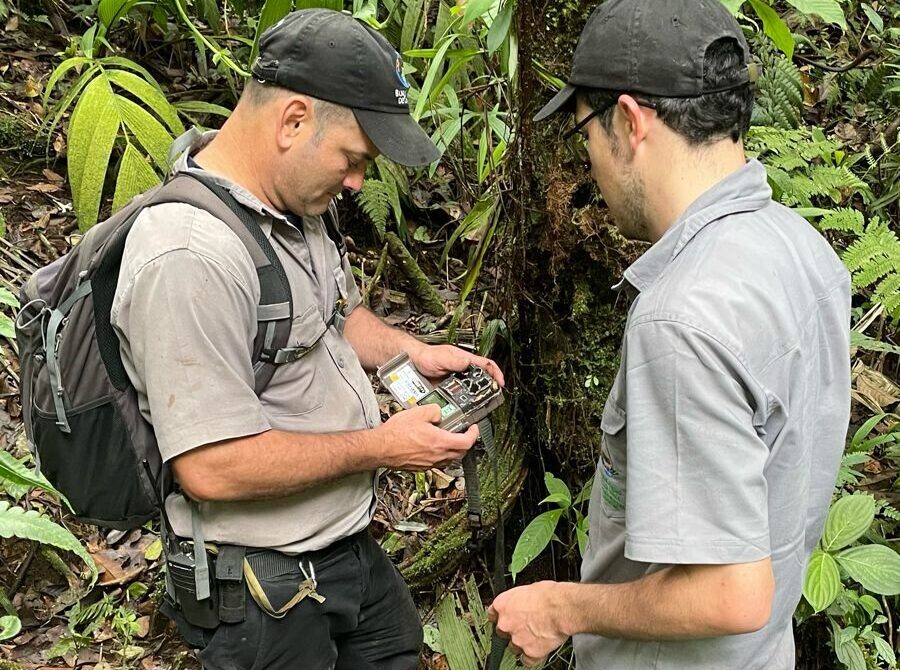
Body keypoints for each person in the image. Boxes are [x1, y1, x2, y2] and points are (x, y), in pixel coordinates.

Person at [111, 9, 504, 670]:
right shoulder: (187, 256)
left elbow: (330, 317)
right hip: (261, 586)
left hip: (341, 546)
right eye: (353, 160)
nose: (357, 183)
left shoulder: (293, 205)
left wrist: (411, 353)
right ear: (293, 120)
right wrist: (384, 447)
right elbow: (211, 466)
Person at [488, 1, 850, 668]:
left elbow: (728, 594)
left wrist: (561, 608)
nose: (591, 163)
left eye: (587, 133)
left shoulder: (681, 317)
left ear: (629, 122)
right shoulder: (804, 252)